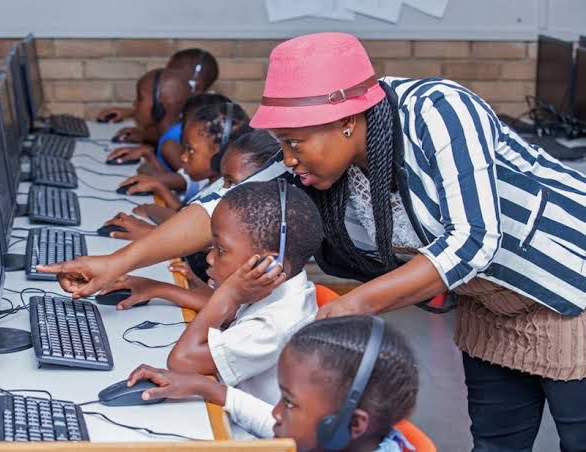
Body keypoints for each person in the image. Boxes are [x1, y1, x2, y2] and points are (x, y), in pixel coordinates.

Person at [41, 32, 586, 451]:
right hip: (495, 306)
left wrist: (356, 305)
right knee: (496, 440)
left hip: (571, 288)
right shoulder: (318, 154)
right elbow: (223, 205)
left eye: (295, 142)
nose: (289, 158)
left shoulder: (436, 112)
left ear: (347, 121)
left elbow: (474, 240)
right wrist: (120, 262)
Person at [126, 315, 419, 451]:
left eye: (289, 403)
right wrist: (207, 388)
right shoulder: (343, 441)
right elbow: (281, 426)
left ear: (354, 424)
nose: (276, 413)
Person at [167, 180, 320, 413]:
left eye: (220, 249)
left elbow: (182, 361)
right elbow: (228, 318)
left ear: (268, 264)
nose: (209, 258)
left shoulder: (274, 325)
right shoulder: (280, 288)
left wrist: (228, 293)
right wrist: (159, 289)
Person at [100, 131, 285, 301]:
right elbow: (220, 304)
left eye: (232, 183)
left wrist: (160, 288)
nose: (223, 191)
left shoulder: (266, 264)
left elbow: (226, 311)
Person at [102, 102, 251, 241]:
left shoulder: (228, 197)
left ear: (220, 155)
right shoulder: (213, 184)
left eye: (190, 150)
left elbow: (197, 238)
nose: (183, 157)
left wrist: (150, 232)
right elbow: (185, 217)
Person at [97, 48, 218, 142]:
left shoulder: (207, 118)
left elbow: (176, 139)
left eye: (174, 76)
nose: (166, 77)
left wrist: (145, 138)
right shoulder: (188, 107)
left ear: (197, 87)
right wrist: (132, 112)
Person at [105, 68, 191, 172]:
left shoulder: (169, 146)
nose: (135, 104)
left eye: (140, 99)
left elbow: (188, 182)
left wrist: (149, 156)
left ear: (158, 106)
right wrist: (144, 139)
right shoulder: (176, 130)